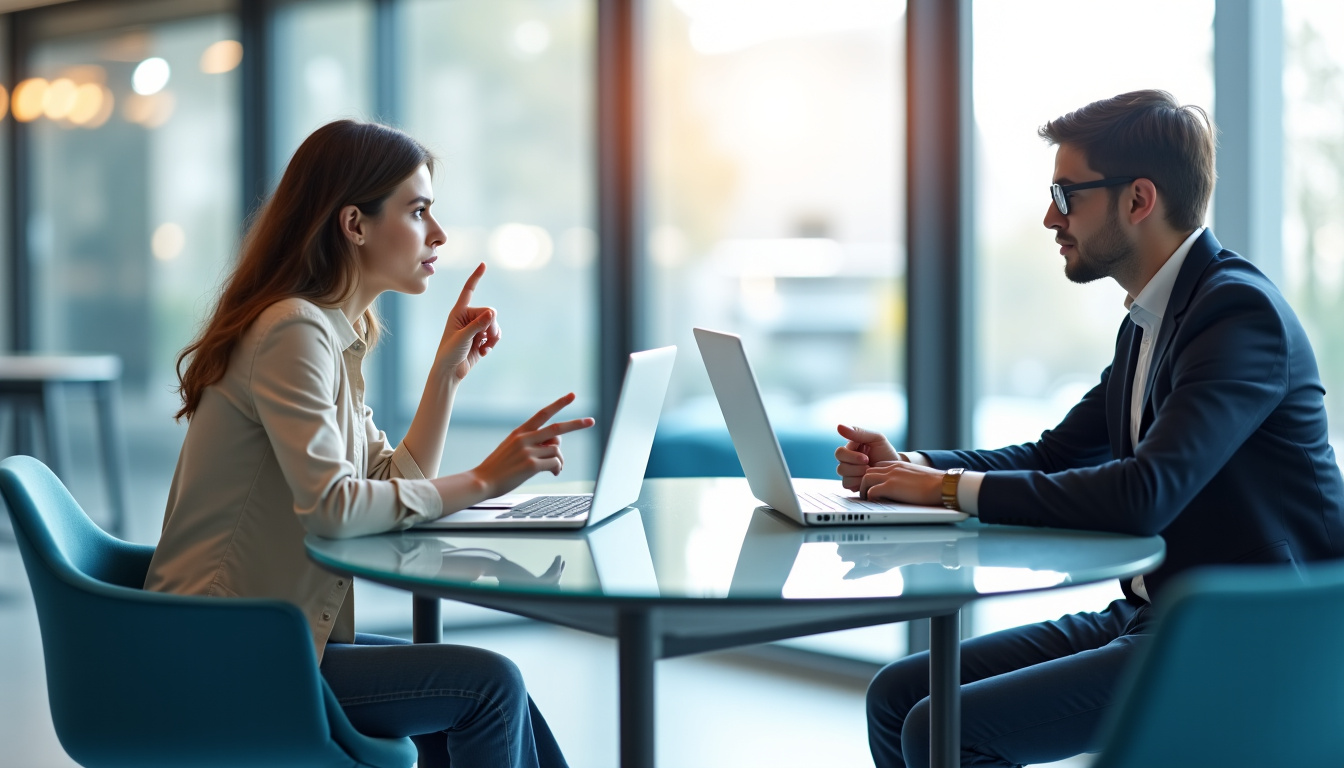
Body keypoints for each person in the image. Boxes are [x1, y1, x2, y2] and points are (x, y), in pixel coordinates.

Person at [839, 90, 1344, 768]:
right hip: (1155, 614)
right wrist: (911, 466)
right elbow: (1053, 454)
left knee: (944, 729)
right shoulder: (1152, 320)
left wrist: (941, 489)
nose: (1051, 216)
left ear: (1139, 200)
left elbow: (1145, 495)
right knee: (900, 695)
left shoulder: (1237, 316)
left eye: (1066, 194)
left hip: (1250, 633)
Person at [144, 119, 592, 768]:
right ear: (354, 224)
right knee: (491, 689)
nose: (437, 235)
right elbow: (333, 507)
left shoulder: (330, 330)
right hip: (223, 654)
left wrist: (444, 376)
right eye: (418, 211)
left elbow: (385, 476)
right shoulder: (294, 330)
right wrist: (486, 481)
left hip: (273, 641)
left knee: (497, 690)